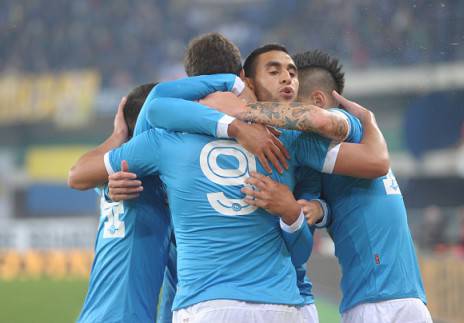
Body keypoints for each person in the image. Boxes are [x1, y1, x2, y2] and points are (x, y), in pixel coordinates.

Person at [127, 40, 388, 323]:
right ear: (246, 81)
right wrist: (236, 117)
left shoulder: (299, 136)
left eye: (292, 71)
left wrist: (303, 209)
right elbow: (156, 107)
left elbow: (363, 158)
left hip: (287, 296)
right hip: (218, 294)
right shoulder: (192, 128)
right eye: (274, 71)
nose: (287, 77)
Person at [246, 49, 432, 323]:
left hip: (378, 302)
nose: (286, 118)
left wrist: (240, 111)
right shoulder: (326, 157)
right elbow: (336, 203)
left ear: (317, 100)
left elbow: (319, 120)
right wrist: (318, 209)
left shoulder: (348, 124)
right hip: (401, 296)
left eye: (293, 106)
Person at [69, 83, 173, 323]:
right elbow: (75, 175)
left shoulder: (112, 174)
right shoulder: (142, 175)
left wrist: (117, 136)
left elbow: (81, 170)